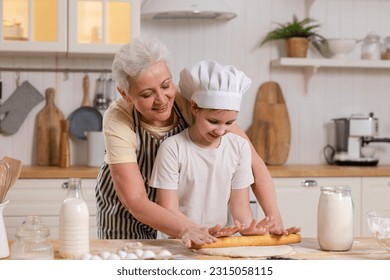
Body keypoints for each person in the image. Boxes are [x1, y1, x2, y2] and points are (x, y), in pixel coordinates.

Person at [95, 36, 298, 247]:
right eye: (147, 94)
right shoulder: (118, 118)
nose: (162, 100)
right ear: (125, 94)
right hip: (125, 211)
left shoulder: (194, 102)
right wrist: (189, 228)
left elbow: (254, 164)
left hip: (178, 211)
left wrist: (275, 220)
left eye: (166, 85)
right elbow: (135, 200)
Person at [150, 60, 273, 235]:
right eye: (213, 121)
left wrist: (249, 229)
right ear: (194, 107)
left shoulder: (239, 148)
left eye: (229, 122)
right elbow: (168, 209)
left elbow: (240, 206)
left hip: (220, 241)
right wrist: (200, 231)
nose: (221, 130)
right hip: (178, 241)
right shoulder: (172, 149)